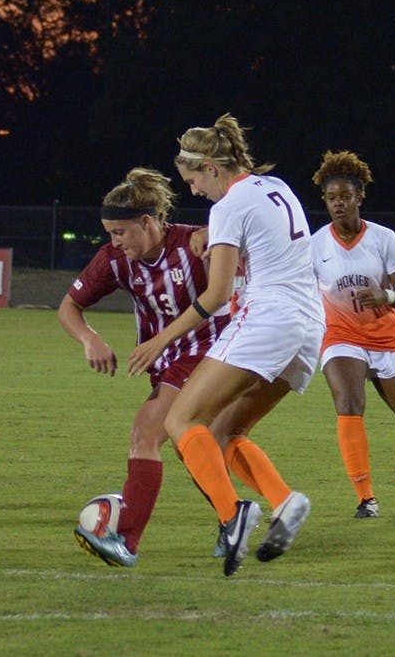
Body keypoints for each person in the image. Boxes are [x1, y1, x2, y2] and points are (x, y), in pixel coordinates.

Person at [128, 114, 322, 576]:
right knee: (223, 432)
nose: (194, 190)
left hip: (268, 318)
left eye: (194, 180)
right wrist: (210, 239)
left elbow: (215, 297)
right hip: (309, 325)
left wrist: (161, 339)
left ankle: (233, 514)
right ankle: (284, 501)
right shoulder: (276, 187)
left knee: (180, 420)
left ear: (212, 168)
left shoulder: (227, 207)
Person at [59, 167, 232, 567]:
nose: (114, 242)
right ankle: (235, 515)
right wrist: (90, 339)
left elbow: (230, 254)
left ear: (147, 222)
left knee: (145, 432)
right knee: (196, 447)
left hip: (209, 349)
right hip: (167, 359)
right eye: (109, 233)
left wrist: (215, 238)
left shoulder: (193, 243)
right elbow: (69, 306)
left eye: (120, 232)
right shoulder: (114, 261)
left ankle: (127, 539)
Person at [310, 150, 395, 519]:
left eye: (345, 197)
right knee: (350, 405)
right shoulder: (315, 244)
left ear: (359, 197)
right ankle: (366, 498)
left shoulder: (383, 238)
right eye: (331, 197)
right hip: (340, 336)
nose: (338, 204)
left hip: (386, 337)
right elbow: (303, 294)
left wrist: (387, 296)